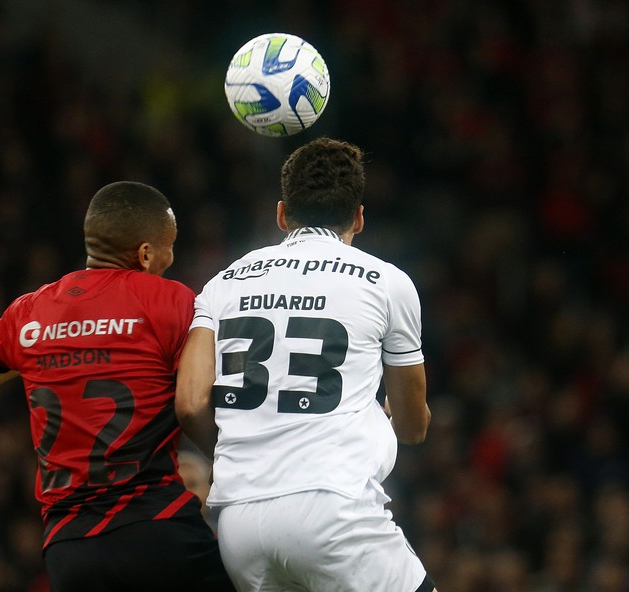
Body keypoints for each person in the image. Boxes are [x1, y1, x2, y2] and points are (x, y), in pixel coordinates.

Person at [0, 181, 234, 591]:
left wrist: (28, 360)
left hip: (68, 548)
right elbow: (196, 396)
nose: (172, 256)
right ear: (146, 254)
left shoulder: (29, 312)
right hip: (156, 527)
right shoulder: (172, 301)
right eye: (170, 246)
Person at [176, 138, 437, 592]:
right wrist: (393, 413)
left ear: (281, 215)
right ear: (358, 216)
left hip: (239, 524)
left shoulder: (221, 284)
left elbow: (190, 403)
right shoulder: (387, 282)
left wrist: (239, 456)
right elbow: (413, 427)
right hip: (333, 509)